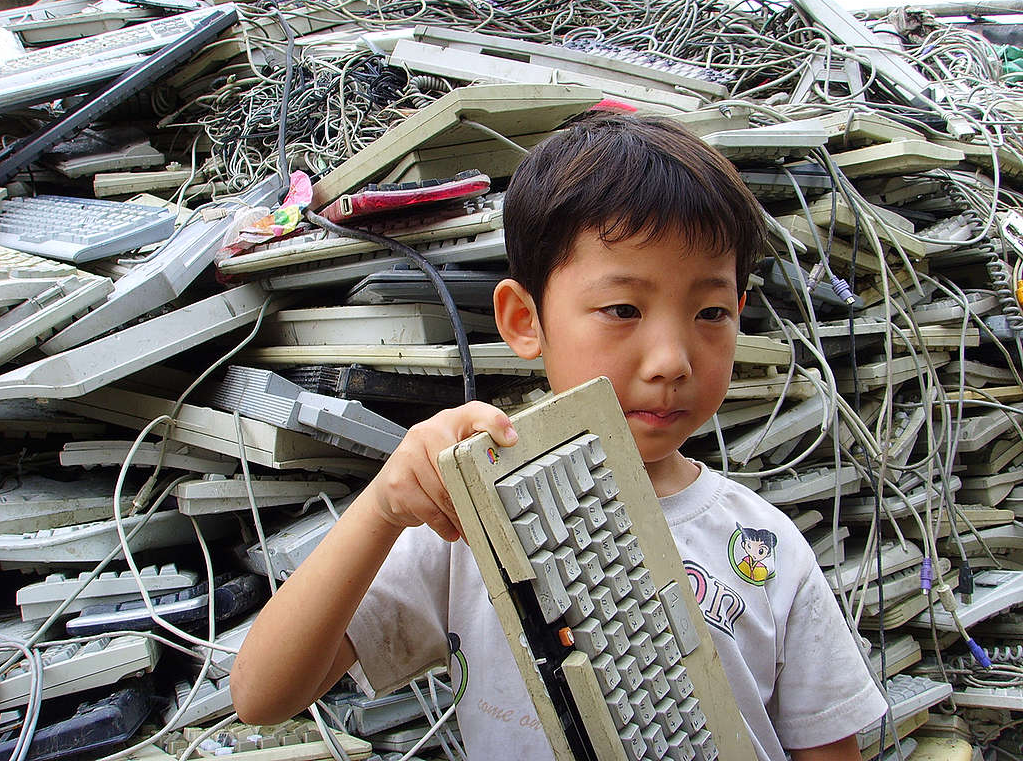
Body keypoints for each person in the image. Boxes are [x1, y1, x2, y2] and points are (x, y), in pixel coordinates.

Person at [231, 113, 887, 761]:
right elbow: (263, 696)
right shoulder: (467, 521)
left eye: (710, 313)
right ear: (525, 320)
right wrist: (380, 509)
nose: (671, 361)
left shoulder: (768, 551)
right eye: (623, 310)